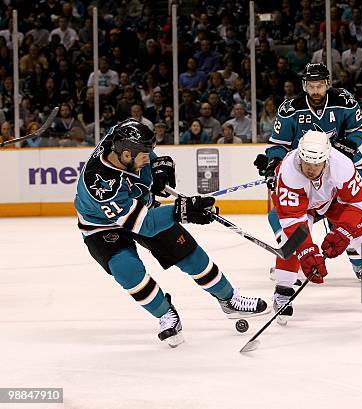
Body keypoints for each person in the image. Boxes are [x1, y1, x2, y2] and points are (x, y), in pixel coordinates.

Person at [74, 119, 268, 347]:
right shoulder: (100, 186)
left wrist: (158, 167)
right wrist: (183, 211)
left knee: (189, 253)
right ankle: (165, 314)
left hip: (140, 207)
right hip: (102, 226)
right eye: (145, 155)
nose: (148, 157)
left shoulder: (118, 136)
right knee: (126, 270)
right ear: (126, 155)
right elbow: (145, 225)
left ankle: (229, 299)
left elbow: (145, 154)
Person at [269, 130, 362, 323]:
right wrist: (307, 252)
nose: (311, 169)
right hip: (301, 204)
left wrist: (343, 232)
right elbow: (291, 218)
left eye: (316, 164)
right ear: (300, 156)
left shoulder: (342, 165)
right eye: (307, 163)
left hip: (332, 200)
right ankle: (282, 292)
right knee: (291, 242)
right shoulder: (288, 172)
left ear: (326, 158)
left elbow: (357, 203)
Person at [253, 63, 362, 278]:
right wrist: (273, 164)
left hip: (340, 170)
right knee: (277, 217)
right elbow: (279, 145)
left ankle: (360, 264)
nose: (316, 91)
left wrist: (343, 149)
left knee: (344, 216)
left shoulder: (343, 100)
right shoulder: (290, 109)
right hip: (307, 172)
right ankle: (292, 258)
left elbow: (360, 130)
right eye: (311, 86)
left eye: (320, 86)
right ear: (304, 86)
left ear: (327, 84)